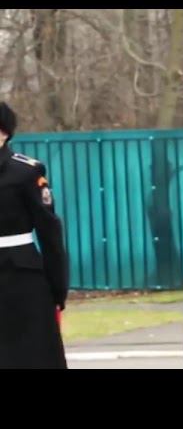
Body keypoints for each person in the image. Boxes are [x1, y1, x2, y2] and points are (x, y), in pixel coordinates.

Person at [0, 101, 68, 368]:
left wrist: (57, 289)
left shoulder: (26, 172)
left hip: (20, 277)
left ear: (3, 133)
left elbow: (50, 233)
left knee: (29, 355)